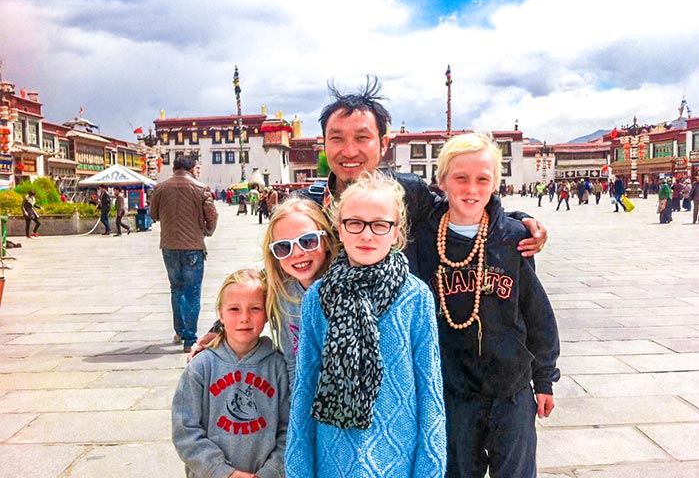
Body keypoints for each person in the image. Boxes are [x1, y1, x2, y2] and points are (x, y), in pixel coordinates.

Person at [415, 132, 560, 478]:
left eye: (483, 179)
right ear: (442, 181)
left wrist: (544, 379)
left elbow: (536, 313)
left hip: (511, 387)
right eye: (460, 178)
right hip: (453, 389)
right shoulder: (424, 239)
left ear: (496, 182)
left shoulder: (513, 237)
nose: (471, 189)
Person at [286, 171, 446, 477]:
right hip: (333, 457)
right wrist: (300, 468)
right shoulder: (318, 297)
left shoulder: (416, 297)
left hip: (399, 457)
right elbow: (304, 386)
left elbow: (430, 391)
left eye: (380, 224)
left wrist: (430, 468)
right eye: (355, 223)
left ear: (397, 232)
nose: (367, 235)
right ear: (339, 229)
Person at [297, 76, 548, 263]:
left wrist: (517, 221)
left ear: (384, 144)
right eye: (337, 138)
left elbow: (459, 210)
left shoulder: (409, 192)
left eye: (362, 138)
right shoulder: (306, 207)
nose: (349, 151)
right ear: (324, 144)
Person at [189, 197, 338, 395]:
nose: (298, 253)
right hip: (302, 394)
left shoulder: (344, 286)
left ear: (326, 240)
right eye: (284, 247)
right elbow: (248, 297)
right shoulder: (281, 289)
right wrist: (219, 329)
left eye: (308, 241)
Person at [171, 269, 289, 478]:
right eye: (234, 309)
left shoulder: (278, 367)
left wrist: (271, 471)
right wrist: (222, 471)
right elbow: (185, 431)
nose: (245, 318)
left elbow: (289, 429)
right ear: (221, 314)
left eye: (255, 308)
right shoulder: (201, 367)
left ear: (267, 314)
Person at [150, 155, 218, 352]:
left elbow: (153, 215)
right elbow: (212, 215)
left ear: (174, 168)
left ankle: (179, 331)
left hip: (169, 246)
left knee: (176, 288)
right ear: (192, 168)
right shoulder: (200, 188)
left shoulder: (160, 188)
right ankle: (190, 339)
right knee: (193, 291)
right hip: (194, 247)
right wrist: (206, 231)